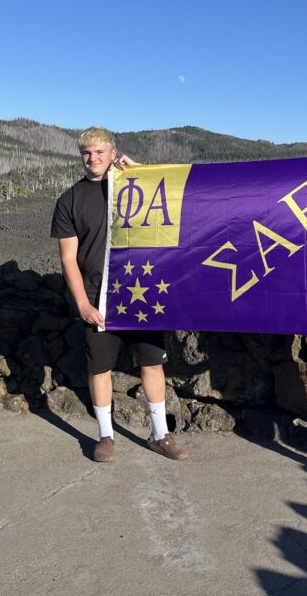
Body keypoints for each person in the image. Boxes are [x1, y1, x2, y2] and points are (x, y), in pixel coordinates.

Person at [50, 126, 188, 462]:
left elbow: (168, 203)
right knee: (99, 369)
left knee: (153, 364)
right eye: (87, 153)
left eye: (100, 152)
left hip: (143, 291)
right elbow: (68, 258)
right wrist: (82, 303)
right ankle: (106, 437)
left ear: (113, 152)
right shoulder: (69, 200)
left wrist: (139, 171)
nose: (92, 159)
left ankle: (160, 435)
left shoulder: (132, 183)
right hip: (98, 297)